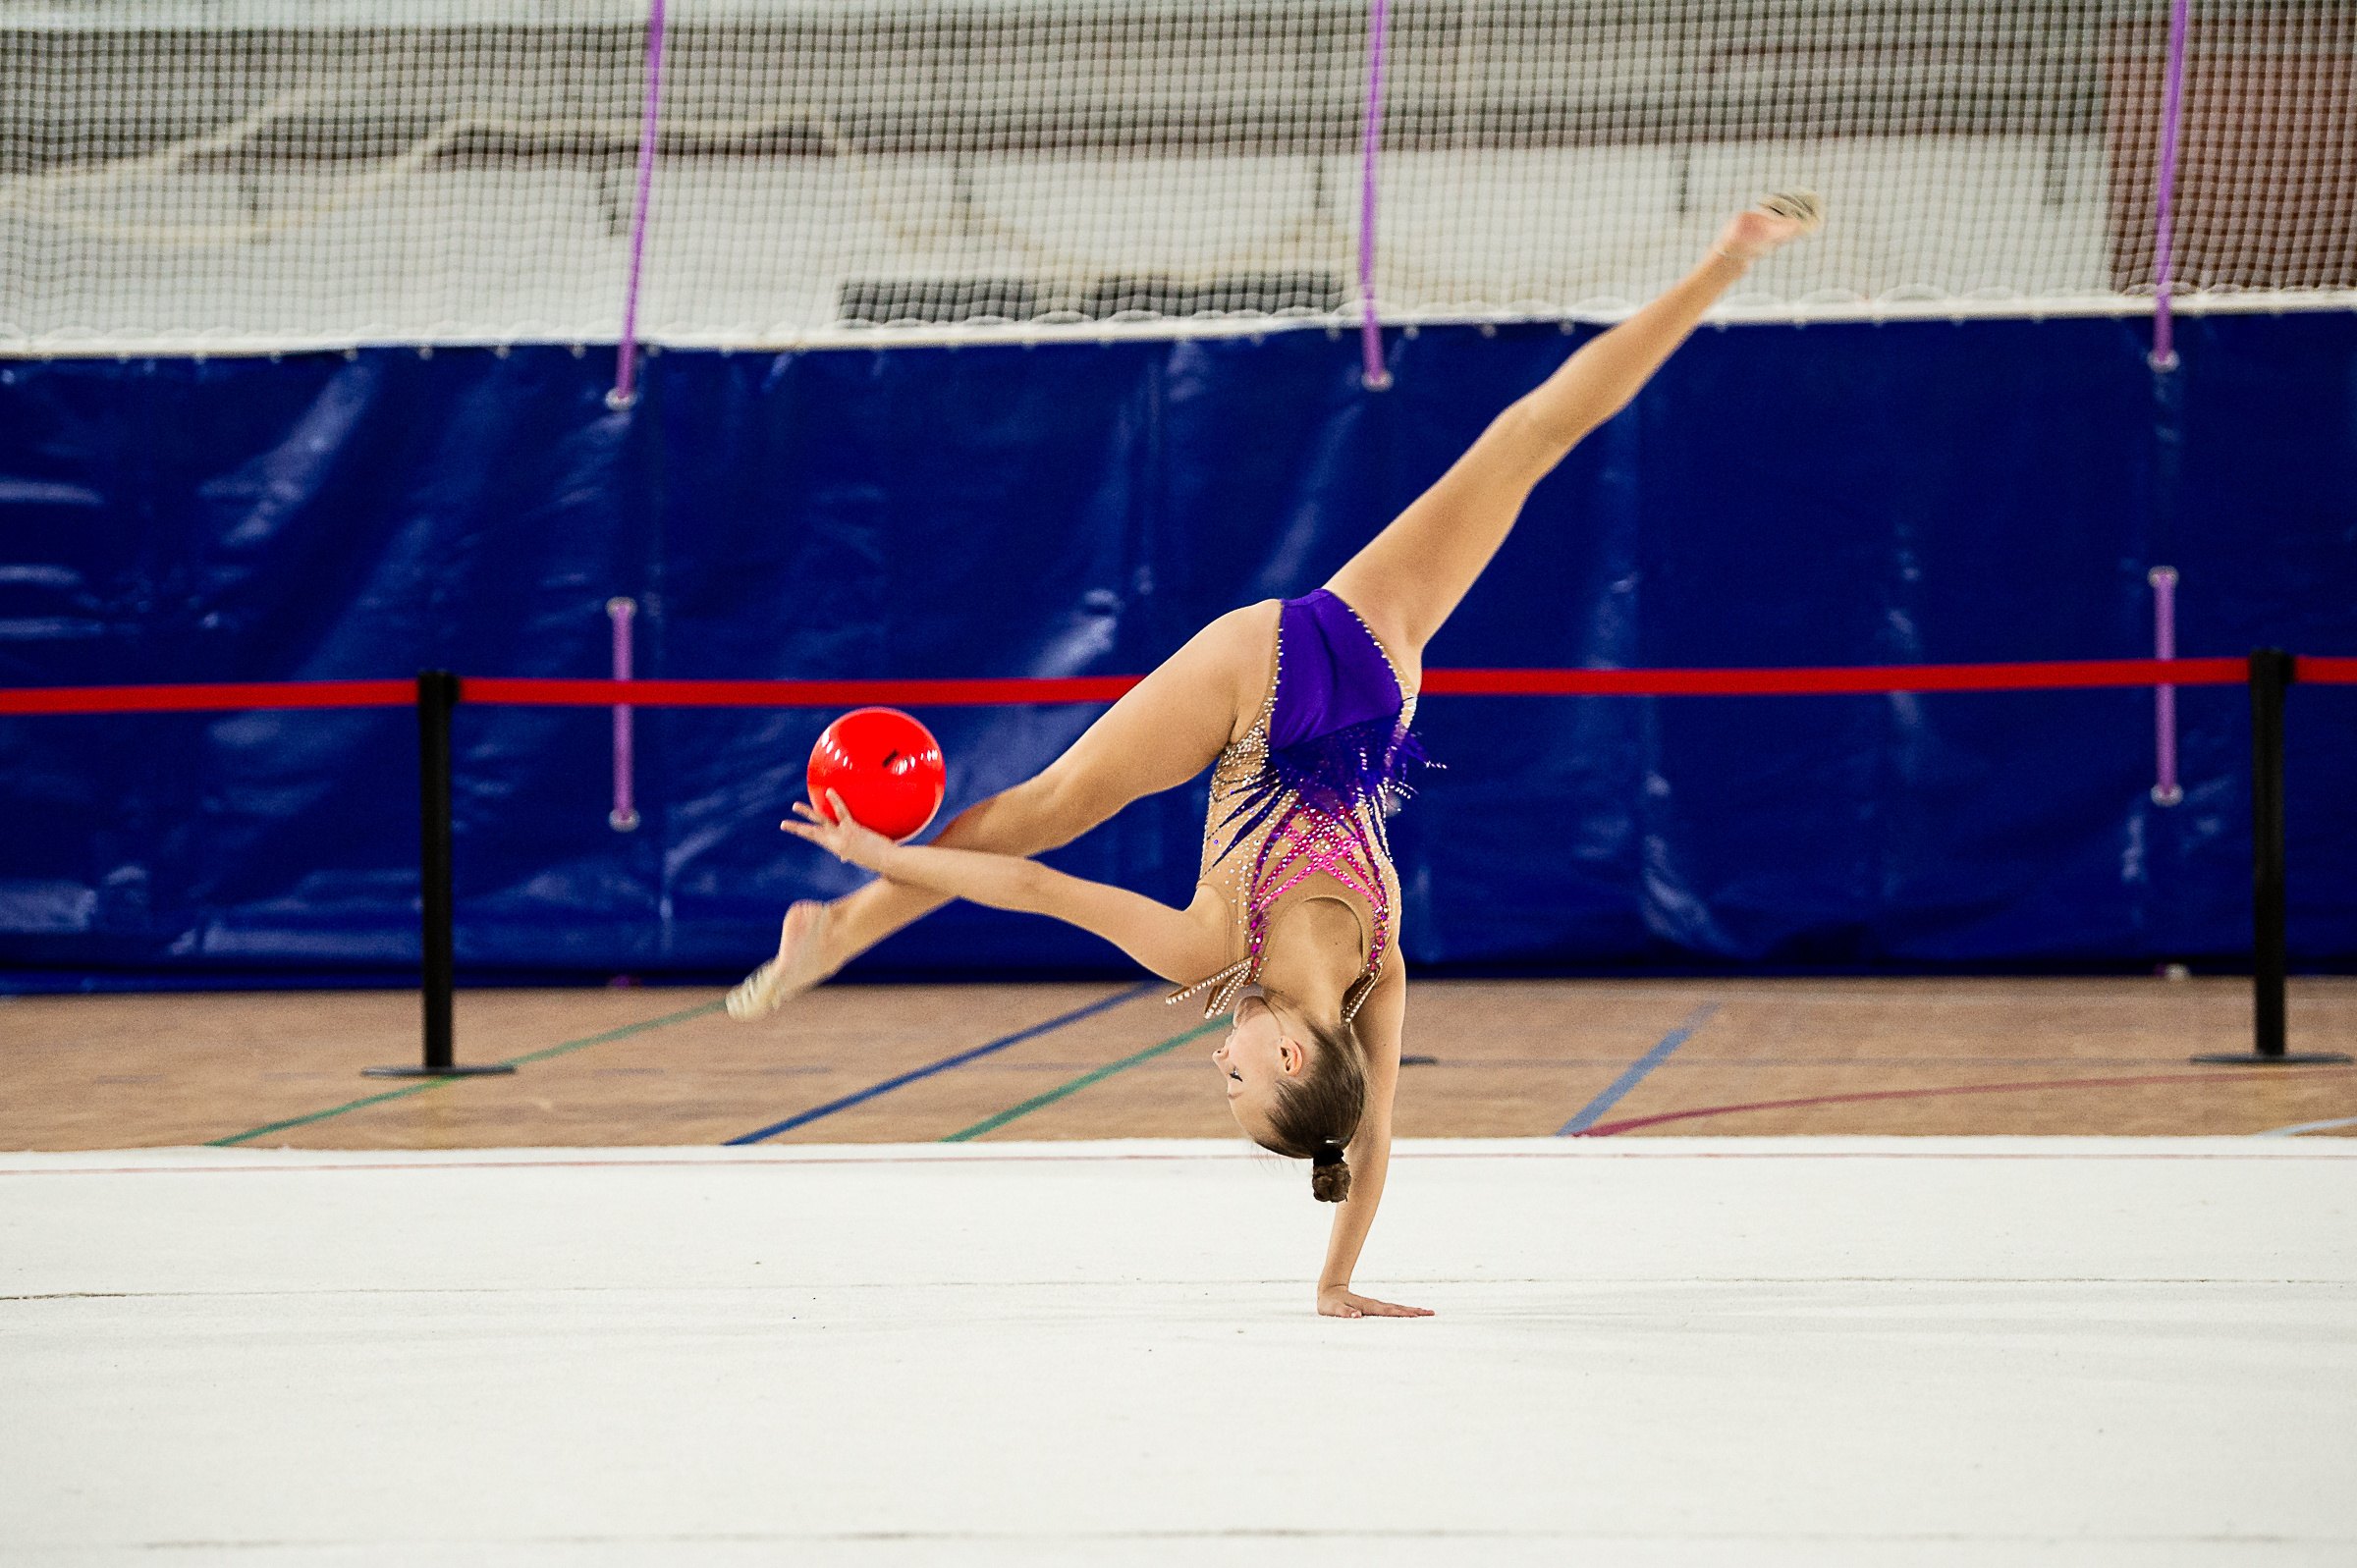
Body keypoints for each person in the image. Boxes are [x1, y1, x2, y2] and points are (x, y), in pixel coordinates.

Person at [734, 194, 1824, 1318]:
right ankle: (839, 932)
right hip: (1268, 684)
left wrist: (1339, 1280)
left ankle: (1726, 264)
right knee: (1046, 804)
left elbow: (1373, 1126)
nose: (1219, 1063)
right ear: (1293, 1059)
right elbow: (1028, 886)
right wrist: (877, 856)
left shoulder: (1381, 967)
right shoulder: (1209, 948)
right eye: (1238, 1081)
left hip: (1372, 682)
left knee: (1524, 444)